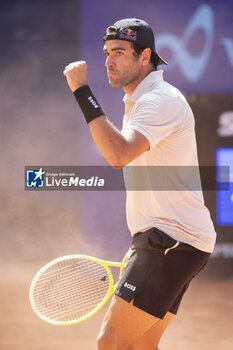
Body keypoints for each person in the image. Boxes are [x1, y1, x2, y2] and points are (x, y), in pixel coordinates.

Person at [63, 18, 216, 350]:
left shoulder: (159, 100)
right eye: (107, 52)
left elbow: (119, 153)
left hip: (170, 240)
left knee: (111, 343)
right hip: (176, 240)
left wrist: (82, 91)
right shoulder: (141, 99)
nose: (108, 61)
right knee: (139, 347)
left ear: (145, 56)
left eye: (119, 52)